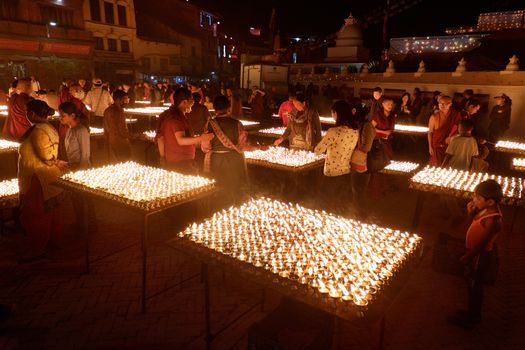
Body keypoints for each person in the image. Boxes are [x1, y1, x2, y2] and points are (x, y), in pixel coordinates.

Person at [18, 100, 68, 263]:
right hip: (48, 177)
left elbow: (46, 157)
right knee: (52, 212)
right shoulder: (49, 128)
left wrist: (54, 161)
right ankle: (53, 241)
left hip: (38, 179)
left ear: (32, 114)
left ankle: (37, 248)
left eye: (27, 112)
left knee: (35, 215)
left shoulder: (39, 131)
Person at [448, 180, 503, 329]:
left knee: (475, 286)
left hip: (480, 256)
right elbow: (470, 226)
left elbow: (482, 244)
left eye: (478, 198)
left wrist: (469, 257)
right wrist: (471, 213)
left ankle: (473, 317)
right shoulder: (484, 211)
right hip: (474, 254)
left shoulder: (493, 220)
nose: (474, 200)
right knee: (471, 284)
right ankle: (470, 312)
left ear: (490, 201)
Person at [201, 95, 257, 204]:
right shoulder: (237, 124)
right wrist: (258, 147)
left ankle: (218, 206)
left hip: (216, 160)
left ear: (215, 108)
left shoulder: (209, 124)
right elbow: (243, 146)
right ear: (229, 107)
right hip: (234, 160)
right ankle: (232, 205)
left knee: (218, 185)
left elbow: (205, 147)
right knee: (233, 186)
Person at [156, 88, 214, 174]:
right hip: (181, 163)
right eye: (191, 100)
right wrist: (202, 138)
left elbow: (161, 138)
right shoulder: (176, 118)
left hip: (177, 160)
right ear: (184, 102)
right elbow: (181, 140)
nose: (193, 103)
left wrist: (163, 157)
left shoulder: (174, 115)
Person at [314, 100, 359, 211]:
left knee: (325, 204)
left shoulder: (333, 131)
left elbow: (318, 150)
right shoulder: (355, 131)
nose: (332, 115)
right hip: (346, 173)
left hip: (331, 173)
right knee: (342, 205)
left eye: (332, 112)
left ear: (336, 113)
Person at [350, 105, 376, 219]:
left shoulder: (366, 126)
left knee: (359, 190)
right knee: (356, 190)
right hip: (356, 162)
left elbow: (366, 148)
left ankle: (361, 213)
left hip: (363, 163)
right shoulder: (358, 125)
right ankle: (358, 212)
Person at [427, 95, 461, 166]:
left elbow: (458, 129)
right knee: (436, 165)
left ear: (450, 104)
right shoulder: (434, 117)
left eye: (444, 103)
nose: (441, 105)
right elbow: (430, 132)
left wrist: (453, 136)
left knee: (448, 166)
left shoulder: (455, 115)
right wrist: (430, 146)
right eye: (440, 103)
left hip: (450, 144)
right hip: (437, 145)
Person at [58, 102, 90, 169]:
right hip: (73, 167)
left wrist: (81, 170)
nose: (60, 118)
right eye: (59, 115)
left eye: (63, 116)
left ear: (72, 116)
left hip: (81, 168)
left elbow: (85, 154)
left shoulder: (81, 131)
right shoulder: (69, 129)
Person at [103, 89, 133, 161]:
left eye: (127, 100)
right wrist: (139, 136)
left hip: (112, 141)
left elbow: (105, 128)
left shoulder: (107, 110)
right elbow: (123, 132)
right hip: (121, 144)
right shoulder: (118, 112)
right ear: (118, 100)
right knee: (125, 163)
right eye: (125, 100)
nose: (127, 102)